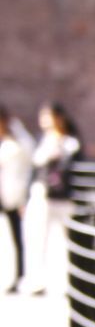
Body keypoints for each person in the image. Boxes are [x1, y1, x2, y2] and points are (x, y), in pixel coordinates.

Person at [25, 102, 81, 296]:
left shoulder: (70, 142)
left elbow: (74, 166)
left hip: (64, 197)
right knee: (38, 238)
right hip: (43, 195)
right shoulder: (44, 141)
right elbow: (34, 170)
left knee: (69, 240)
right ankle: (37, 280)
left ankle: (72, 280)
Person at [0, 107, 34, 294]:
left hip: (15, 197)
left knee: (17, 239)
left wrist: (24, 197)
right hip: (5, 194)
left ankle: (19, 275)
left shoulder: (19, 142)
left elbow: (28, 167)